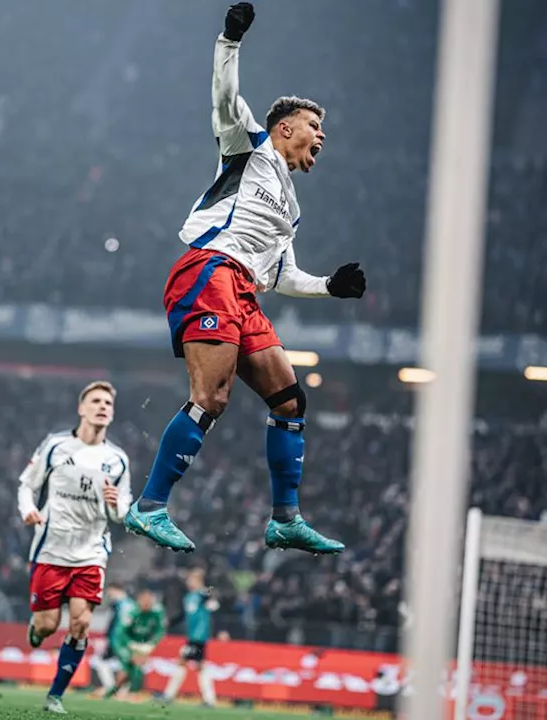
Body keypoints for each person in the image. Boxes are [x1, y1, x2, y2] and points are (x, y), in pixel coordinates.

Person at [125, 1, 366, 555]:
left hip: (246, 290)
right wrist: (229, 41)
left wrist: (330, 285)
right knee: (211, 397)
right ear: (286, 128)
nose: (321, 137)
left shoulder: (291, 205)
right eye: (314, 127)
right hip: (208, 269)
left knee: (289, 400)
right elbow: (224, 97)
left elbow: (280, 274)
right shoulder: (249, 145)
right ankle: (150, 507)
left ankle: (285, 518)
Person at [17, 381, 131, 715]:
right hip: (51, 550)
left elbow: (122, 510)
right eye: (95, 401)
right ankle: (37, 629)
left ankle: (55, 696)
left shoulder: (117, 460)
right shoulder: (55, 446)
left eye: (108, 403)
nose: (102, 406)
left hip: (91, 552)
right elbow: (27, 484)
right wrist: (28, 510)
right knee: (48, 626)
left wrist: (115, 505)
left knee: (81, 625)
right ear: (81, 409)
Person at [163, 569, 218, 707]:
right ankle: (209, 699)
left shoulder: (201, 594)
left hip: (198, 636)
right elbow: (183, 614)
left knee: (183, 661)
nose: (189, 583)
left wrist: (205, 585)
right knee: (199, 666)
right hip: (192, 636)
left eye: (191, 580)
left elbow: (212, 593)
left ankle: (169, 695)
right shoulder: (189, 597)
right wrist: (170, 622)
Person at [103, 588, 167, 702]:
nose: (147, 605)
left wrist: (151, 644)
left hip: (141, 644)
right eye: (145, 602)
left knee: (129, 670)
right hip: (122, 643)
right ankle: (133, 693)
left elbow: (160, 630)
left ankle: (111, 693)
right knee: (133, 665)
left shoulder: (157, 611)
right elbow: (120, 633)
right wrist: (131, 645)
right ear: (139, 601)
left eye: (150, 602)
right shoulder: (131, 611)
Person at [89, 585, 130, 694]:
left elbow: (122, 625)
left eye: (111, 593)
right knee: (124, 665)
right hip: (118, 640)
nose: (109, 596)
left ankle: (112, 688)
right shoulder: (120, 605)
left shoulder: (124, 605)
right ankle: (119, 690)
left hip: (119, 640)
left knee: (103, 662)